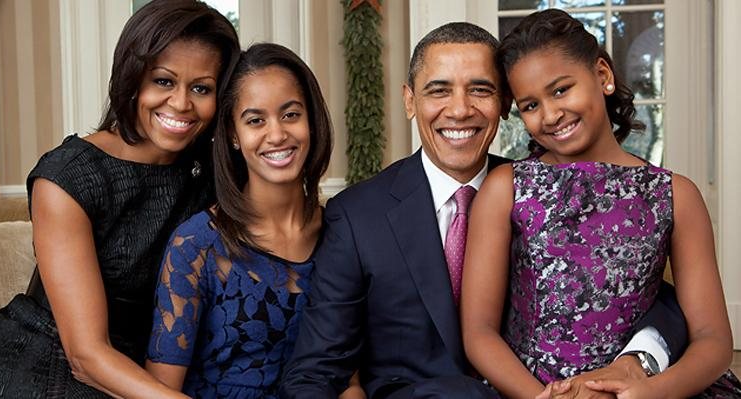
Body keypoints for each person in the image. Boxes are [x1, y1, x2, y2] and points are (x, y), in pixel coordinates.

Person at [280, 22, 687, 399]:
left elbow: (641, 288)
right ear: (409, 100)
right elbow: (316, 370)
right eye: (439, 90)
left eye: (480, 89)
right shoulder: (356, 215)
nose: (460, 110)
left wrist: (642, 356)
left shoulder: (540, 190)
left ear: (505, 102)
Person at [461, 8, 741, 399]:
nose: (551, 115)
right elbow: (478, 332)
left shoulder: (676, 195)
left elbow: (713, 341)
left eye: (561, 90)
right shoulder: (505, 188)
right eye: (530, 105)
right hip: (531, 390)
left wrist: (647, 393)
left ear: (603, 76)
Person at [0, 1, 240, 397]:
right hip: (43, 362)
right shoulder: (68, 176)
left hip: (150, 371)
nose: (182, 103)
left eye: (201, 88)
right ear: (132, 78)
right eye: (163, 81)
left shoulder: (212, 171)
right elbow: (85, 356)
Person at [144, 42, 336, 398]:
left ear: (312, 120)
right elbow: (159, 390)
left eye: (291, 114)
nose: (277, 134)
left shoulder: (342, 234)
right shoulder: (197, 245)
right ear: (233, 134)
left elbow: (349, 379)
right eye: (255, 120)